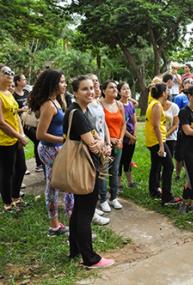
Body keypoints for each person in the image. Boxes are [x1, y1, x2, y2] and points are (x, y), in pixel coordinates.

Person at [66, 75, 114, 268]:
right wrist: (103, 144)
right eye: (84, 89)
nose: (90, 92)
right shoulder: (78, 113)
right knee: (85, 212)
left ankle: (75, 249)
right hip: (85, 167)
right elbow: (93, 145)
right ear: (75, 93)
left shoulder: (76, 111)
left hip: (80, 165)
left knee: (78, 210)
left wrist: (99, 143)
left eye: (91, 88)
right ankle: (90, 258)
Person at [28, 69, 73, 236]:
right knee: (60, 186)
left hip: (55, 148)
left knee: (60, 186)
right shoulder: (48, 105)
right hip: (50, 149)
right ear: (53, 84)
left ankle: (64, 222)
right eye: (62, 82)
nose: (65, 84)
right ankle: (60, 224)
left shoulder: (56, 101)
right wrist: (62, 139)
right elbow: (40, 134)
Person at [145, 83, 182, 205]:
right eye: (167, 90)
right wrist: (161, 146)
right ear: (163, 93)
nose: (169, 93)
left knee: (156, 165)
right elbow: (156, 126)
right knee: (169, 167)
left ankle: (154, 191)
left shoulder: (155, 103)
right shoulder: (156, 105)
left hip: (155, 140)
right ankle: (167, 197)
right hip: (157, 141)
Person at [0, 65, 28, 212]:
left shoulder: (8, 93)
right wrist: (19, 136)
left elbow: (15, 115)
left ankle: (16, 197)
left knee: (21, 168)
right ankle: (8, 203)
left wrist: (21, 134)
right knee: (7, 172)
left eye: (11, 72)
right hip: (4, 141)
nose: (10, 74)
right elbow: (1, 123)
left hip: (16, 138)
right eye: (6, 72)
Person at [86, 74, 110, 226]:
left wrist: (107, 142)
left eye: (96, 81)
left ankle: (96, 204)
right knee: (91, 178)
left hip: (102, 144)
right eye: (91, 82)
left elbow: (104, 124)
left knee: (100, 175)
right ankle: (91, 210)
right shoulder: (85, 104)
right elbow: (87, 127)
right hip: (92, 145)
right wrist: (98, 143)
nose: (95, 83)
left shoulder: (97, 102)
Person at [99, 80, 125, 212]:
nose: (115, 89)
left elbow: (124, 123)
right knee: (103, 171)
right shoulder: (99, 104)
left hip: (118, 143)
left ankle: (113, 197)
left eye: (115, 87)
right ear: (104, 91)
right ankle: (103, 199)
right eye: (111, 87)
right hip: (105, 144)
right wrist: (108, 141)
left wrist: (120, 139)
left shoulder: (120, 104)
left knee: (115, 171)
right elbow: (99, 125)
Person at [14, 74, 43, 173]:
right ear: (17, 81)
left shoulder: (26, 92)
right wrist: (21, 109)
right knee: (30, 140)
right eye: (23, 79)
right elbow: (11, 110)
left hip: (29, 120)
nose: (25, 81)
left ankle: (38, 164)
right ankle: (22, 167)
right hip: (20, 122)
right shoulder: (13, 94)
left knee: (37, 139)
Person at [118, 82, 137, 189]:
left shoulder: (130, 104)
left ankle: (130, 182)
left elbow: (134, 121)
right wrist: (130, 137)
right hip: (122, 137)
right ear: (119, 92)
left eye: (128, 88)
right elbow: (121, 125)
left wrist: (134, 135)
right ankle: (119, 184)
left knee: (128, 160)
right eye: (124, 89)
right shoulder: (118, 105)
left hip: (131, 137)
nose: (127, 90)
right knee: (120, 161)